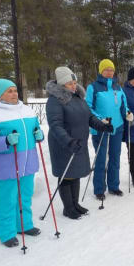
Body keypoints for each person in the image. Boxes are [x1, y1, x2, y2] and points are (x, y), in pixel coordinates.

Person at [0, 79, 43, 248]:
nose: (14, 93)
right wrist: (5, 141)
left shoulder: (27, 110)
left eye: (15, 90)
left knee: (25, 196)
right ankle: (6, 232)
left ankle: (24, 224)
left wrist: (39, 134)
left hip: (27, 163)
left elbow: (36, 129)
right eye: (9, 91)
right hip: (5, 166)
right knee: (6, 199)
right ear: (0, 95)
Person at [46, 67, 113, 220]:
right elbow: (55, 125)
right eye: (70, 83)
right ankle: (68, 208)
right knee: (66, 175)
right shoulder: (55, 100)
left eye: (75, 82)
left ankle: (75, 204)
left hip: (78, 142)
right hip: (63, 144)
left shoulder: (78, 98)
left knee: (75, 174)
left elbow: (89, 118)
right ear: (62, 84)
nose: (74, 86)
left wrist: (102, 126)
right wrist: (68, 141)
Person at [85, 59, 133, 200]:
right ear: (101, 71)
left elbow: (124, 105)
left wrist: (128, 113)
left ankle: (114, 186)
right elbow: (88, 107)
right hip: (101, 128)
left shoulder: (118, 87)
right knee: (101, 159)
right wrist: (100, 120)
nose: (109, 72)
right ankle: (99, 189)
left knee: (115, 157)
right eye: (106, 69)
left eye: (111, 70)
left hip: (117, 127)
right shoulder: (93, 87)